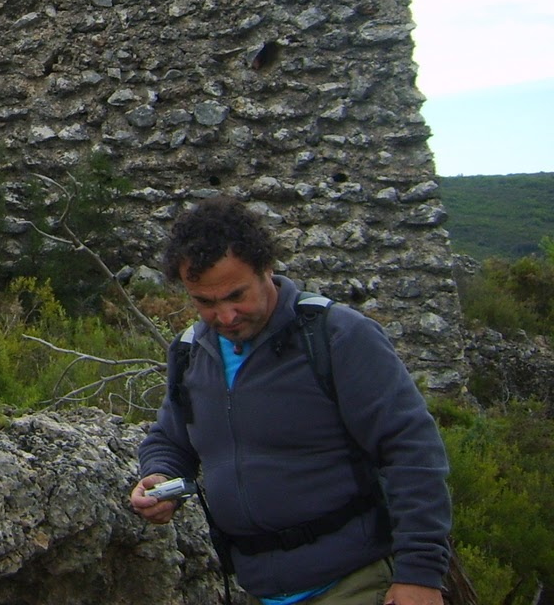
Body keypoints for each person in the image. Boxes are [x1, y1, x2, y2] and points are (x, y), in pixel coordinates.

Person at [131, 198, 451, 605]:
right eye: (205, 302)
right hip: (258, 589)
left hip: (355, 584)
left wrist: (420, 574)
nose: (225, 317)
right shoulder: (190, 353)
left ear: (266, 268)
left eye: (236, 295)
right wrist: (159, 477)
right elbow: (171, 439)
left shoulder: (338, 336)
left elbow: (411, 449)